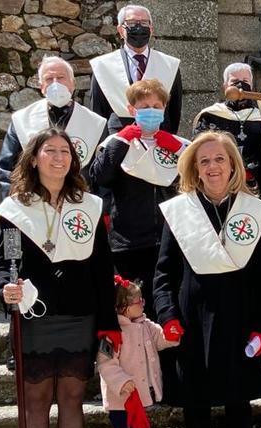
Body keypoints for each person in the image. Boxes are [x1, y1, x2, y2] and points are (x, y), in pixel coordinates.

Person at [0, 128, 119, 428]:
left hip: (79, 317)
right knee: (35, 405)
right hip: (35, 319)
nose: (59, 157)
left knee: (72, 401)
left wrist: (108, 327)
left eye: (66, 151)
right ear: (35, 158)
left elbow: (101, 270)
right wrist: (5, 288)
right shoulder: (17, 209)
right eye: (51, 150)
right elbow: (3, 265)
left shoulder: (88, 207)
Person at [153, 131, 261, 428]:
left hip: (239, 318)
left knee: (239, 403)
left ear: (232, 164)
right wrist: (167, 315)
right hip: (192, 319)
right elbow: (163, 274)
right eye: (204, 161)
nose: (212, 167)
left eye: (219, 159)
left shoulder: (251, 211)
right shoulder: (181, 211)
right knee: (196, 404)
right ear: (194, 167)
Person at [88, 79, 189, 318]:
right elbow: (98, 177)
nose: (151, 111)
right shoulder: (115, 143)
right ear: (132, 109)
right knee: (133, 307)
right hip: (129, 240)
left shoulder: (180, 144)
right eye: (144, 106)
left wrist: (179, 150)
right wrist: (121, 141)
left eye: (156, 105)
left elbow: (194, 182)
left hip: (168, 237)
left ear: (164, 108)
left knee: (167, 305)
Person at [97, 275, 182, 428]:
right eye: (138, 301)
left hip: (137, 396)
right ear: (124, 307)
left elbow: (162, 339)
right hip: (121, 399)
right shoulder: (112, 333)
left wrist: (172, 333)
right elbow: (105, 363)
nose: (143, 304)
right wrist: (122, 381)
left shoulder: (146, 324)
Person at [0, 56, 107, 198]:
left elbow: (102, 172)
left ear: (73, 83)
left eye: (61, 77)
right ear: (41, 86)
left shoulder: (95, 123)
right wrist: (13, 206)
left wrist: (99, 208)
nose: (55, 83)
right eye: (49, 79)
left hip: (78, 204)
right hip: (33, 202)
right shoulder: (22, 120)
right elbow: (6, 167)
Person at [89, 4, 182, 134]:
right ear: (121, 30)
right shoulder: (103, 65)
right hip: (118, 138)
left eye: (144, 23)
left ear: (151, 29)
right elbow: (97, 112)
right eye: (132, 23)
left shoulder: (169, 65)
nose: (139, 27)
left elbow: (174, 111)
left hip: (159, 138)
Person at [193, 62, 261, 203]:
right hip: (220, 184)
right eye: (234, 81)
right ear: (225, 86)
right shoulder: (210, 115)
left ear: (252, 86)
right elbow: (199, 150)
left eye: (246, 81)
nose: (241, 85)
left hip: (256, 185)